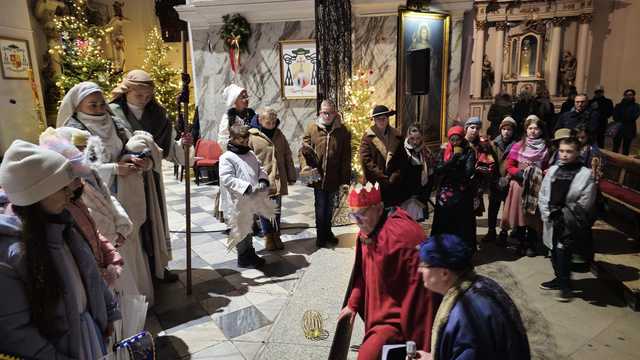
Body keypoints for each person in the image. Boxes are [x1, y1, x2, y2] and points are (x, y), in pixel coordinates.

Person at [0, 140, 121, 359]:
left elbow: (90, 274)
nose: (70, 194)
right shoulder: (10, 254)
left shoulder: (64, 226)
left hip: (89, 339)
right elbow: (15, 329)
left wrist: (108, 313)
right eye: (62, 188)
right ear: (37, 194)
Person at [56, 82, 159, 304]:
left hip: (128, 192)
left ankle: (142, 296)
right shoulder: (74, 131)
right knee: (115, 246)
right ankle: (126, 303)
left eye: (102, 103)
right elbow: (80, 169)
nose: (100, 108)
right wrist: (115, 169)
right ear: (77, 106)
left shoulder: (115, 122)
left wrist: (133, 159)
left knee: (133, 241)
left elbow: (125, 149)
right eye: (92, 104)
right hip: (101, 198)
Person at [338, 182, 438, 360]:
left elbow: (421, 295)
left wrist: (416, 346)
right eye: (353, 216)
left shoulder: (404, 236)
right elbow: (362, 270)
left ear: (379, 208)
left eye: (361, 215)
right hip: (378, 308)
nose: (357, 222)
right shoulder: (367, 230)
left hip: (398, 317)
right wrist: (353, 303)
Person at [414, 234, 531, 360]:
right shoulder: (483, 284)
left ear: (444, 273)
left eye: (424, 265)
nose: (419, 270)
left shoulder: (466, 317)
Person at [538, 137, 596, 302]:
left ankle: (565, 285)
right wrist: (546, 212)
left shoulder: (585, 175)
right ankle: (558, 278)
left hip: (569, 220)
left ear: (577, 152)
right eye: (562, 151)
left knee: (564, 251)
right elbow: (544, 193)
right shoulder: (554, 170)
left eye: (569, 151)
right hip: (552, 217)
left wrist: (565, 215)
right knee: (553, 251)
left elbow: (586, 201)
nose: (564, 155)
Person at [110, 69, 194, 165]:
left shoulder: (158, 115)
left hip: (152, 173)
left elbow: (170, 150)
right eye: (139, 95)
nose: (144, 100)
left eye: (148, 96)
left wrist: (183, 145)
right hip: (123, 172)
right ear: (126, 92)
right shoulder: (112, 113)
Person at [300, 99, 351, 247]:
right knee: (320, 206)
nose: (327, 116)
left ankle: (328, 232)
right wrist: (305, 165)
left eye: (330, 113)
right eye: (324, 112)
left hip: (334, 176)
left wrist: (345, 180)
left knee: (330, 207)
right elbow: (303, 150)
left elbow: (346, 157)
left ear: (335, 113)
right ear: (320, 112)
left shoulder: (343, 131)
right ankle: (320, 235)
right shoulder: (312, 127)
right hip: (317, 175)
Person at [219, 124, 269, 267]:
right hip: (237, 200)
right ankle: (243, 256)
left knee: (249, 227)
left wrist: (262, 179)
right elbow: (226, 178)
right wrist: (246, 187)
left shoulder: (250, 153)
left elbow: (260, 168)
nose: (245, 144)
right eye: (242, 142)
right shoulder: (227, 157)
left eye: (247, 141)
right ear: (233, 139)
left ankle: (250, 252)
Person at [248, 107, 297, 251]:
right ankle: (268, 236)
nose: (271, 124)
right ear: (260, 120)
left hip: (278, 177)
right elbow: (248, 159)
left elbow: (287, 154)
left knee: (276, 208)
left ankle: (276, 235)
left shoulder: (279, 134)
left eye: (274, 122)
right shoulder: (252, 136)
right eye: (268, 122)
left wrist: (291, 175)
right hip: (262, 179)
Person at [502, 115, 550, 257]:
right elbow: (509, 166)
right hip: (519, 185)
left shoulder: (546, 148)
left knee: (533, 217)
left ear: (541, 130)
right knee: (521, 216)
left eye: (536, 128)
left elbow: (547, 166)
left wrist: (542, 172)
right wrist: (521, 173)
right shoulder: (518, 145)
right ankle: (521, 243)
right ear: (526, 130)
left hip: (536, 187)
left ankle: (531, 244)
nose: (533, 131)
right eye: (530, 128)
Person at [431, 125, 477, 250]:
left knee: (461, 224)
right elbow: (438, 169)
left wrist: (453, 167)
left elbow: (468, 172)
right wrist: (452, 161)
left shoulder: (469, 151)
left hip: (462, 192)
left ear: (462, 139)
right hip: (445, 193)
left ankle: (460, 249)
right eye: (452, 139)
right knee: (444, 222)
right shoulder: (444, 150)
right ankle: (442, 248)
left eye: (458, 139)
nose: (455, 142)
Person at [385, 124, 434, 221]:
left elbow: (431, 176)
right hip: (402, 195)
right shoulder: (401, 151)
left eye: (418, 138)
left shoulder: (426, 153)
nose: (415, 141)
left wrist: (424, 196)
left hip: (418, 195)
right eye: (412, 138)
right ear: (408, 137)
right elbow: (393, 172)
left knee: (414, 225)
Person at [359, 105, 403, 206]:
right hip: (375, 182)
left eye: (384, 118)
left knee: (392, 213)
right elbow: (366, 160)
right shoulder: (367, 137)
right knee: (377, 214)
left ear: (388, 119)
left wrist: (395, 176)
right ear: (374, 120)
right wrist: (382, 177)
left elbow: (402, 158)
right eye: (378, 119)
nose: (382, 121)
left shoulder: (397, 135)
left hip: (394, 182)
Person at [484, 117, 517, 245]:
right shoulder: (493, 144)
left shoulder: (516, 145)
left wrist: (508, 178)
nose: (506, 132)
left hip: (509, 181)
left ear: (513, 131)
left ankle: (504, 233)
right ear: (500, 130)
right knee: (493, 208)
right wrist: (495, 179)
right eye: (504, 129)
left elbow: (516, 163)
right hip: (495, 180)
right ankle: (491, 231)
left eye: (509, 129)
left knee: (506, 210)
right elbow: (489, 162)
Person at [218, 84, 255, 149]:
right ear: (235, 100)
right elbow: (222, 139)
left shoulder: (252, 114)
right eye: (243, 97)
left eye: (247, 97)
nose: (246, 99)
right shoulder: (228, 118)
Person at [612, 89, 640, 155]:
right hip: (619, 129)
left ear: (633, 96)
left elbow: (633, 117)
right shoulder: (618, 105)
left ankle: (623, 163)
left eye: (630, 95)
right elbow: (615, 117)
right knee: (615, 147)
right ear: (624, 96)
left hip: (629, 129)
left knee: (626, 148)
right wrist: (625, 117)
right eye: (626, 95)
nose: (628, 96)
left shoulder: (636, 106)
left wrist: (622, 117)